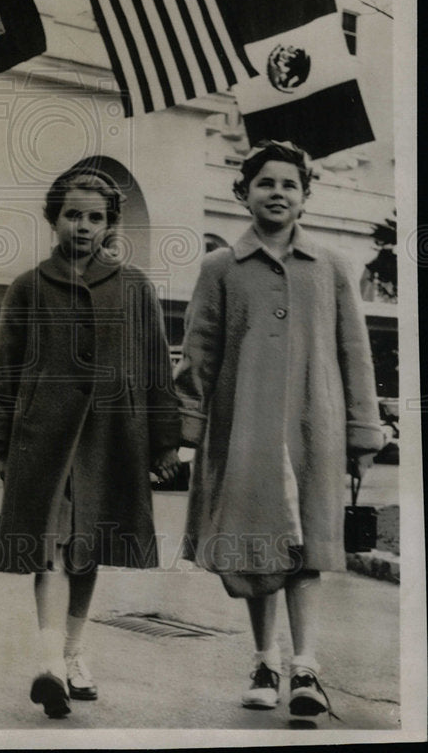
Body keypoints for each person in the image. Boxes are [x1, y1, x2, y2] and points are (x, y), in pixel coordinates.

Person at [175, 140, 385, 720]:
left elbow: (354, 354)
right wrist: (185, 427)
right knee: (255, 546)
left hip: (314, 428)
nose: (278, 193)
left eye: (290, 184)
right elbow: (200, 350)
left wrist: (363, 435)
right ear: (243, 194)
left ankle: (307, 667)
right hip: (243, 429)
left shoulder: (331, 267)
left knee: (308, 550)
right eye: (266, 183)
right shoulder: (220, 268)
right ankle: (266, 659)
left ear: (306, 197)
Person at [0, 165, 181, 719]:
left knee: (86, 546)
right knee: (49, 542)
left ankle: (73, 654)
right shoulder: (29, 286)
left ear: (110, 224)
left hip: (109, 439)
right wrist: (1, 437)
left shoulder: (135, 287)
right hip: (41, 440)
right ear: (54, 218)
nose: (84, 226)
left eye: (96, 217)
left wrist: (166, 439)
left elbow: (157, 369)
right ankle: (48, 664)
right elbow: (6, 368)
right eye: (73, 214)